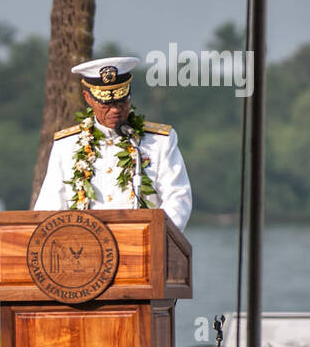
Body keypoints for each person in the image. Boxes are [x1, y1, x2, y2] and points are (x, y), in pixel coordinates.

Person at [34, 57, 192, 230]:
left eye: (121, 101)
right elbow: (49, 208)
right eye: (106, 103)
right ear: (88, 98)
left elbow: (178, 198)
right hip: (83, 250)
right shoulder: (66, 146)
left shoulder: (159, 141)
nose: (116, 109)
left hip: (144, 249)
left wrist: (157, 238)